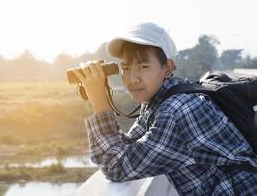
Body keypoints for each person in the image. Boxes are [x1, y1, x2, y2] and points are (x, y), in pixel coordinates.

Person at [72, 22, 257, 195]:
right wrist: (99, 94)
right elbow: (127, 147)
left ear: (167, 68)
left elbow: (116, 166)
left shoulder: (176, 110)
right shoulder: (159, 101)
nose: (131, 78)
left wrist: (98, 100)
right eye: (125, 68)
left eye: (143, 66)